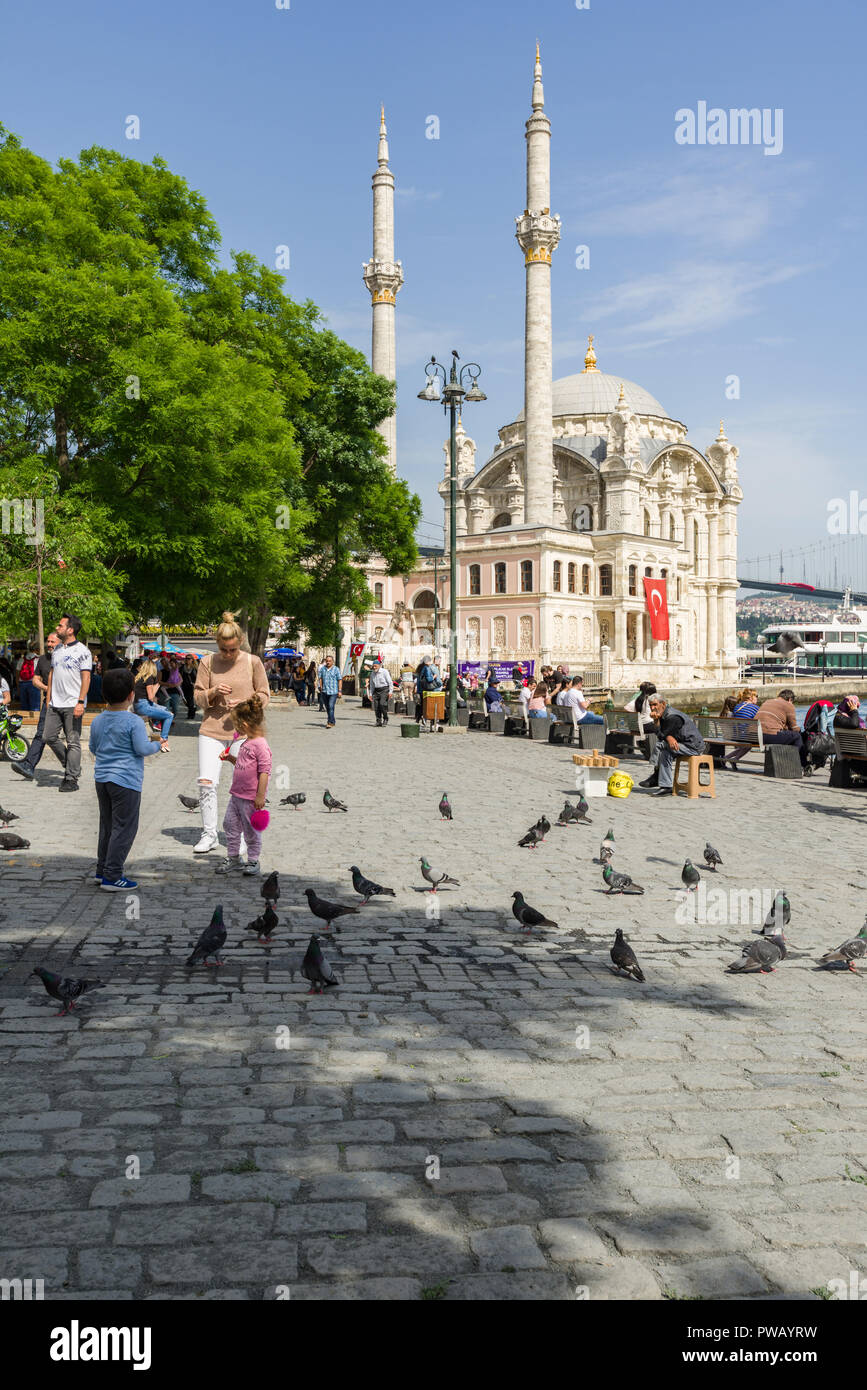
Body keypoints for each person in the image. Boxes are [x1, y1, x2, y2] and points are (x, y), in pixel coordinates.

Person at [192, 611, 271, 853]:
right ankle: (209, 834)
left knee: (247, 788)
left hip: (243, 732)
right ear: (218, 645)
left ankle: (247, 834)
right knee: (207, 782)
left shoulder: (252, 661)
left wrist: (248, 701)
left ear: (239, 643)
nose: (228, 654)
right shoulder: (207, 662)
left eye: (233, 649)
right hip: (212, 729)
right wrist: (213, 691)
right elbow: (197, 698)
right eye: (224, 649)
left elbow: (265, 695)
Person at [88, 666, 162, 891]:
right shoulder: (134, 722)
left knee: (108, 826)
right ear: (132, 695)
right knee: (125, 828)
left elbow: (93, 747)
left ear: (104, 694)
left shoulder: (98, 721)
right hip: (126, 780)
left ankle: (102, 870)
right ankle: (113, 875)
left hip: (102, 779)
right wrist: (157, 744)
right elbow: (142, 748)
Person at [216, 693, 272, 876]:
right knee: (230, 824)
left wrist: (260, 795)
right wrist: (230, 758)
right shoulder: (247, 742)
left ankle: (253, 860)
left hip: (250, 798)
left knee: (251, 830)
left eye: (238, 725)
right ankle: (234, 857)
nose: (236, 728)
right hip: (236, 794)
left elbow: (264, 771)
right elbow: (242, 764)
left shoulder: (261, 745)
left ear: (246, 725)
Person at [42, 614, 93, 793]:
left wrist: (80, 702)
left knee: (73, 741)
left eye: (60, 625)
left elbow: (86, 677)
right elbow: (51, 674)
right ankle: (72, 765)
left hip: (73, 703)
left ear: (70, 630)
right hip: (55, 703)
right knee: (48, 736)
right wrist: (48, 698)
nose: (57, 628)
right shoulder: (56, 650)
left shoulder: (83, 651)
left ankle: (71, 778)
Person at [11, 633, 61, 781]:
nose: (49, 644)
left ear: (60, 643)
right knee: (41, 734)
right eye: (48, 641)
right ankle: (29, 766)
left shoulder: (66, 659)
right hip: (49, 701)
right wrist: (47, 688)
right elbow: (35, 680)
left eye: (53, 641)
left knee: (70, 737)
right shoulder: (43, 660)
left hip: (67, 704)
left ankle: (71, 767)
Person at [641, 695, 705, 794]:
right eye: (650, 705)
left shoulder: (673, 717)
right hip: (682, 744)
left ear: (663, 704)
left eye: (655, 704)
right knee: (665, 753)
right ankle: (666, 786)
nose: (652, 708)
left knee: (660, 746)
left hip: (693, 746)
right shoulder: (663, 715)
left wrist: (667, 737)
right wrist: (657, 721)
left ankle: (656, 774)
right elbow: (661, 734)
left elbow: (662, 735)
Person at [757, 688, 806, 767]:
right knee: (797, 736)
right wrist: (801, 731)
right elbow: (794, 727)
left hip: (755, 736)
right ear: (790, 699)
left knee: (788, 735)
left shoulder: (767, 701)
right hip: (768, 736)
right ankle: (801, 765)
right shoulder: (788, 705)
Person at [133, 659, 172, 750]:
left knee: (165, 709)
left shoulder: (139, 677)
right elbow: (151, 697)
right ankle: (163, 739)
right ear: (152, 668)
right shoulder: (149, 678)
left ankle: (156, 723)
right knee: (169, 716)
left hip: (139, 704)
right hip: (143, 705)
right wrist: (156, 687)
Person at [317, 652, 343, 729]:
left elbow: (340, 680)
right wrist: (320, 686)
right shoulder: (323, 669)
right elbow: (320, 678)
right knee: (328, 707)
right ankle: (332, 720)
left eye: (329, 661)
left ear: (332, 661)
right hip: (324, 691)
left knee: (331, 706)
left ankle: (330, 722)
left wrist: (340, 691)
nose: (328, 662)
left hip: (333, 692)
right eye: (327, 661)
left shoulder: (336, 669)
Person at [368, 660, 393, 727]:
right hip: (376, 690)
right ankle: (378, 721)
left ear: (379, 666)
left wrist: (390, 692)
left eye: (375, 666)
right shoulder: (372, 673)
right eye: (373, 666)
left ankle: (385, 718)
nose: (374, 667)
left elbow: (390, 682)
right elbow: (372, 685)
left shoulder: (384, 672)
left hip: (384, 689)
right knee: (376, 707)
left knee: (382, 704)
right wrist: (370, 694)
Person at [16, 648, 40, 712]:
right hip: (34, 683)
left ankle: (24, 720)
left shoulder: (21, 659)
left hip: (22, 684)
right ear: (37, 649)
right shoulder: (38, 659)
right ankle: (34, 721)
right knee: (35, 705)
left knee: (24, 705)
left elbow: (17, 673)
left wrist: (18, 685)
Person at [180, 655, 198, 720]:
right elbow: (179, 675)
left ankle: (190, 715)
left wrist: (196, 684)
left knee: (190, 700)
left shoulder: (194, 668)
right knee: (186, 701)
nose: (187, 660)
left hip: (191, 686)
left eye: (189, 658)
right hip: (184, 686)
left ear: (192, 660)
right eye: (186, 658)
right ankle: (193, 708)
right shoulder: (182, 667)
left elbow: (197, 677)